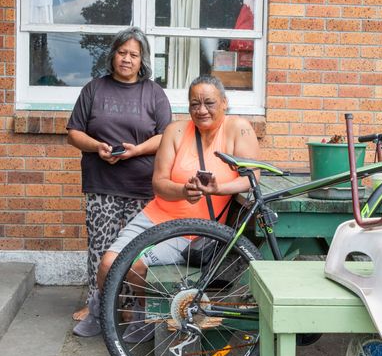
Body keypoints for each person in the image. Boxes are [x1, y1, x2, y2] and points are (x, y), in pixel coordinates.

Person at [91, 75, 259, 341]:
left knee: (136, 265)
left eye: (209, 103)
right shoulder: (176, 131)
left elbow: (251, 179)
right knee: (108, 263)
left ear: (225, 103)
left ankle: (142, 317)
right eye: (194, 104)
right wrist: (182, 190)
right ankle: (108, 311)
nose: (201, 110)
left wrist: (216, 189)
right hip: (156, 215)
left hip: (192, 231)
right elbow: (159, 183)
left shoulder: (238, 128)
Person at [66, 27, 171, 337]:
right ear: (112, 55)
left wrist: (137, 150)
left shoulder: (153, 92)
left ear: (143, 61)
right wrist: (97, 146)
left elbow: (167, 135)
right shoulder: (94, 89)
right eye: (122, 52)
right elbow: (73, 132)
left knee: (134, 250)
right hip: (102, 183)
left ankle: (128, 306)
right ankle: (97, 304)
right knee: (100, 246)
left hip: (141, 186)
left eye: (134, 55)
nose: (127, 59)